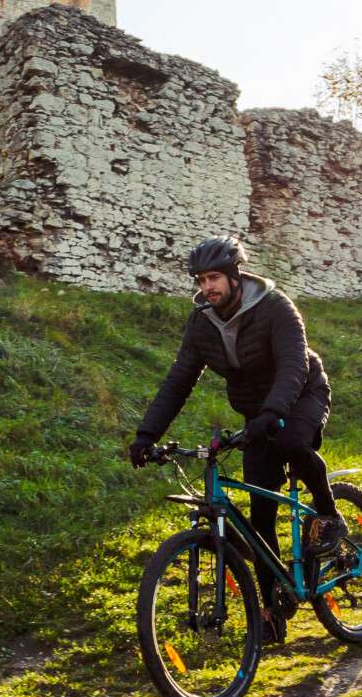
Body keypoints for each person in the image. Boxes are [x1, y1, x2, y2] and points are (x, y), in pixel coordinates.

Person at [127, 235, 346, 627]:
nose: (207, 287)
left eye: (213, 278)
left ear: (234, 275)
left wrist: (273, 413)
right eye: (201, 280)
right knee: (260, 514)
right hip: (256, 413)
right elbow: (179, 379)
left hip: (302, 393)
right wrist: (147, 435)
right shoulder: (202, 322)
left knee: (292, 441)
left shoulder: (275, 307)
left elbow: (294, 364)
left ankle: (329, 515)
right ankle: (274, 606)